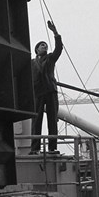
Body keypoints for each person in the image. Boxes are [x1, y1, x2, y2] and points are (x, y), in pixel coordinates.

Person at [30, 20, 63, 154]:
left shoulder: (50, 58)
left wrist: (55, 33)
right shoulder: (31, 63)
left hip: (50, 91)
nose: (45, 47)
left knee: (52, 119)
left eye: (46, 45)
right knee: (36, 120)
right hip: (37, 92)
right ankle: (35, 148)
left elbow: (59, 49)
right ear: (37, 49)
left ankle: (52, 147)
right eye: (42, 45)